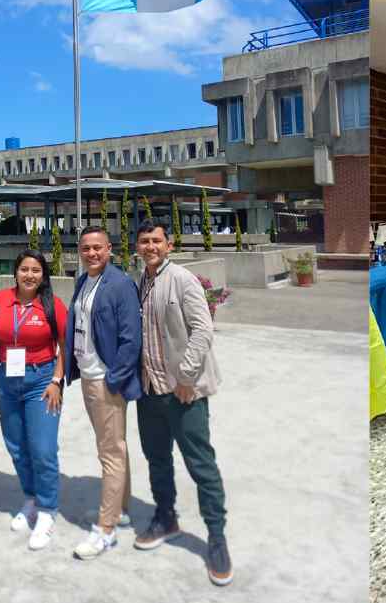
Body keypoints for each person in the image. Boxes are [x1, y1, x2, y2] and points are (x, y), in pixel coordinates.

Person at [132, 220, 232, 586]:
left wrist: (187, 378)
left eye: (156, 240)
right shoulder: (140, 281)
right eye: (144, 241)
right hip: (149, 391)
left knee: (200, 464)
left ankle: (216, 536)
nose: (150, 246)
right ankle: (166, 516)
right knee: (157, 459)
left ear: (168, 245)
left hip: (182, 393)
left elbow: (202, 330)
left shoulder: (183, 280)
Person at [64, 226, 143, 560]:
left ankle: (106, 529)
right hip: (89, 376)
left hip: (105, 380)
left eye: (98, 248)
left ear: (109, 249)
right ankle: (120, 509)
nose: (92, 254)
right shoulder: (84, 281)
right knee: (114, 447)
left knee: (110, 452)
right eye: (86, 248)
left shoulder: (120, 283)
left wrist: (114, 379)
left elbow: (131, 339)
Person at [0, 249, 67, 551]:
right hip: (6, 380)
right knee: (17, 447)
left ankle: (48, 510)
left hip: (41, 380)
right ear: (16, 272)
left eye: (36, 270)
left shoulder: (53, 305)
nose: (29, 275)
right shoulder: (0, 301)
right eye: (24, 269)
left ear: (43, 275)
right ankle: (32, 498)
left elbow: (66, 345)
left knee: (43, 449)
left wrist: (56, 381)